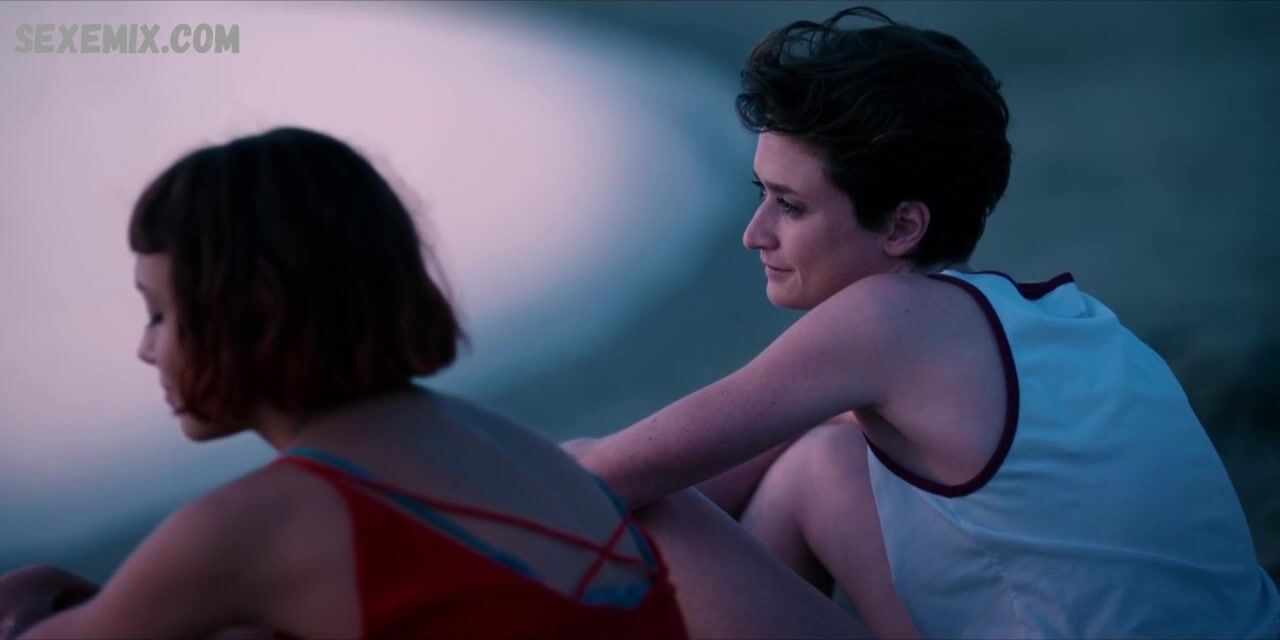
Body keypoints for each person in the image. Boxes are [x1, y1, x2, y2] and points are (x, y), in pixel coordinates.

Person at [568, 6, 1280, 638]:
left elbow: (603, 479)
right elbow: (734, 458)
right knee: (816, 467)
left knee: (648, 515)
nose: (755, 234)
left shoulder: (886, 319)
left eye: (790, 205)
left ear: (903, 226)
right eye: (763, 194)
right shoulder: (1060, 322)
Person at [0, 127, 690, 639]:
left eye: (159, 314)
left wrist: (31, 594)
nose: (145, 350)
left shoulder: (258, 524)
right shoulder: (523, 454)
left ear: (252, 314)